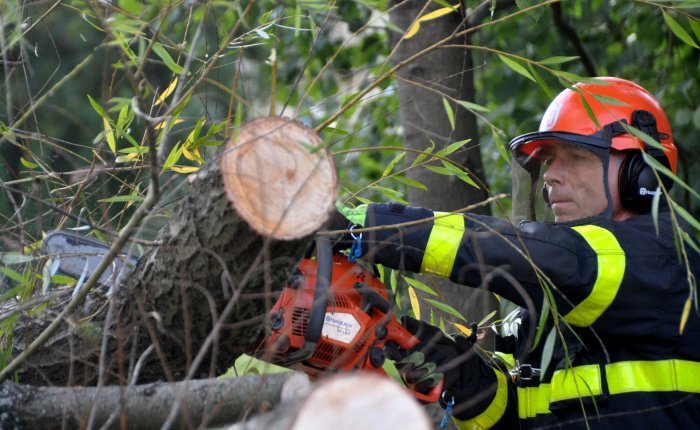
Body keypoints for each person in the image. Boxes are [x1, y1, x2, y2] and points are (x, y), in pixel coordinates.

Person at [333, 77, 700, 428]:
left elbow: (540, 256)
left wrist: (373, 227)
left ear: (642, 174)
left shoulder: (664, 258)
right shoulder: (548, 308)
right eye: (547, 161)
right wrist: (461, 378)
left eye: (575, 156)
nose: (551, 176)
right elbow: (517, 419)